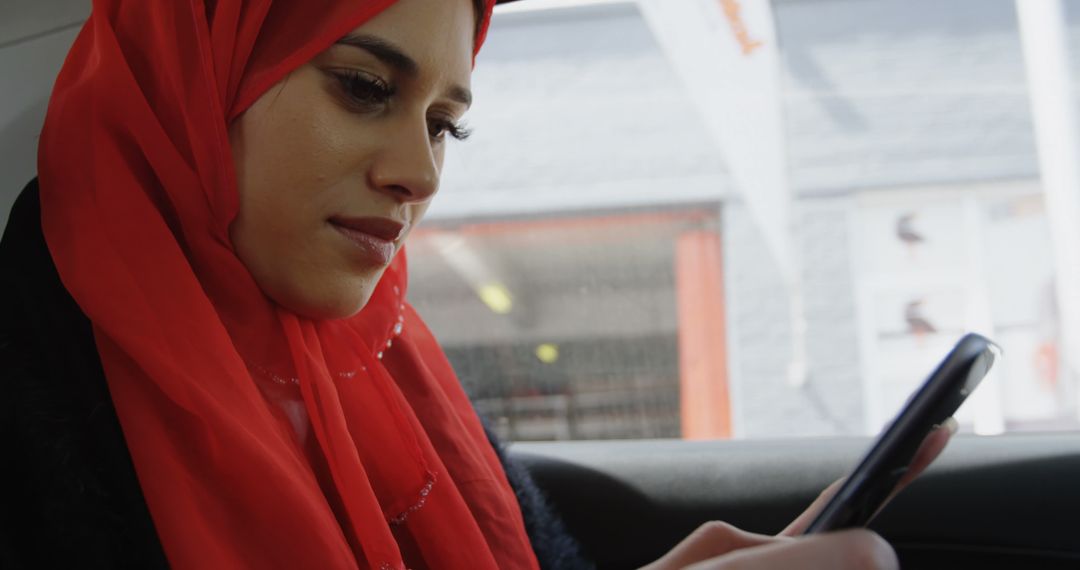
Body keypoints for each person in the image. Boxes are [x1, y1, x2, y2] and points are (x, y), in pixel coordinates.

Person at [0, 0, 953, 568]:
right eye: (366, 88)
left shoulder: (389, 370)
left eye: (445, 124)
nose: (420, 174)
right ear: (197, 75)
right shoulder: (32, 379)